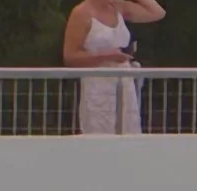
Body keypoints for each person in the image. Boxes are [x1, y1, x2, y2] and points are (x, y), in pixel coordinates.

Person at [61, 0, 166, 134]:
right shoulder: (82, 13)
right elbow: (70, 56)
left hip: (123, 80)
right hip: (97, 82)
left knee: (129, 127)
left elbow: (157, 12)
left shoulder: (119, 7)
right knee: (99, 128)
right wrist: (106, 57)